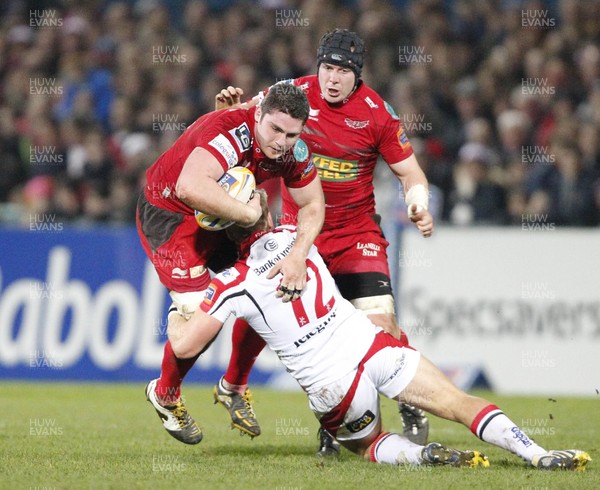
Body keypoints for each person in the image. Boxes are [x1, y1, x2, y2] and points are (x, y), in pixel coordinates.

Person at [158, 189, 590, 471]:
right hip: (370, 347)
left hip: (333, 386)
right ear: (261, 210)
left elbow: (187, 344)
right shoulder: (298, 232)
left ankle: (423, 456)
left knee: (370, 446)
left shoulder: (230, 283)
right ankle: (538, 454)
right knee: (458, 401)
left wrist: (180, 308)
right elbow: (311, 202)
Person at [214, 29, 432, 454]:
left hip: (356, 235)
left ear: (357, 76)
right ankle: (268, 399)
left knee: (379, 329)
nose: (333, 78)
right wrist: (225, 111)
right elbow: (245, 126)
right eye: (327, 68)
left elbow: (411, 174)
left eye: (343, 71)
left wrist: (418, 202)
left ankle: (410, 401)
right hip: (301, 236)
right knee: (266, 308)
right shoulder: (291, 95)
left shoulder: (378, 115)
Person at [138, 85, 325, 445]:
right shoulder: (233, 133)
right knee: (196, 331)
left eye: (292, 134)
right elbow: (189, 187)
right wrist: (250, 213)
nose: (282, 142)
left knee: (272, 286)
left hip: (226, 213)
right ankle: (165, 395)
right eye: (275, 130)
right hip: (172, 218)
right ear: (258, 114)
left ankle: (233, 387)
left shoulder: (291, 148)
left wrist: (299, 254)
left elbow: (313, 204)